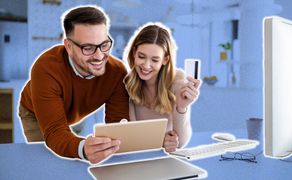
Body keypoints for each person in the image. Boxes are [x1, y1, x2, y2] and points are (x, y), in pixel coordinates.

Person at [18, 6, 129, 164]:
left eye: (104, 45)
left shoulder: (117, 71)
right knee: (46, 162)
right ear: (69, 46)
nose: (99, 56)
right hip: (35, 113)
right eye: (88, 48)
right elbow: (55, 131)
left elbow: (118, 124)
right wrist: (82, 149)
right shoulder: (46, 68)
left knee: (72, 155)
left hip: (76, 112)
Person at [123, 23, 201, 152]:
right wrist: (158, 141)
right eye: (141, 57)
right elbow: (132, 136)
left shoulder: (177, 84)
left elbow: (181, 142)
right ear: (134, 53)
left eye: (154, 60)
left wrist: (181, 107)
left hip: (165, 159)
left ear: (165, 60)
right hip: (140, 157)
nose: (146, 66)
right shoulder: (128, 84)